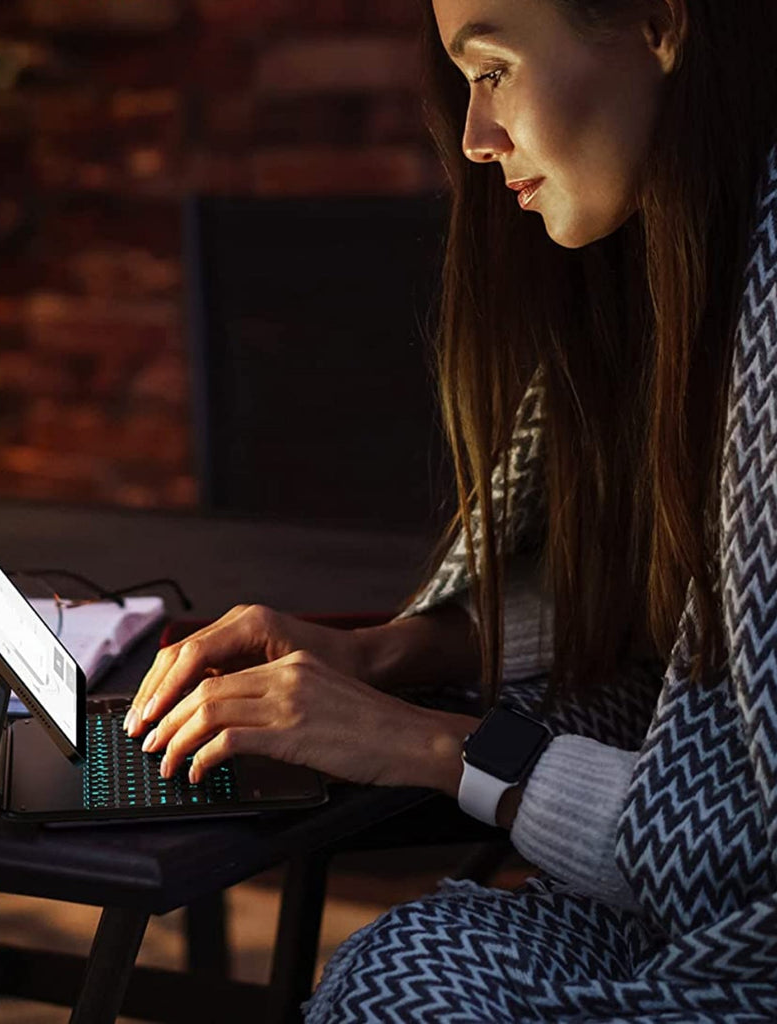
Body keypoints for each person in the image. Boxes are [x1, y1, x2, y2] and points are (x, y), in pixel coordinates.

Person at [126, 0, 777, 1017]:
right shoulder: (701, 274)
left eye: (494, 68)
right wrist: (400, 652)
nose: (476, 139)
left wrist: (428, 746)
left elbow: (743, 856)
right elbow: (682, 605)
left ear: (658, 22)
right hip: (680, 918)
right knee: (398, 965)